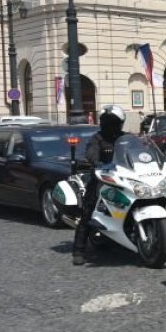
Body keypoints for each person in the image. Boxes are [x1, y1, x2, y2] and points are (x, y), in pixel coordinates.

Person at [72, 105, 127, 266]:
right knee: (89, 209)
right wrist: (97, 162)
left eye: (114, 122)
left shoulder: (124, 137)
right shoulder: (97, 138)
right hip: (102, 179)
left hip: (124, 178)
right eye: (107, 122)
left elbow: (137, 148)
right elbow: (91, 152)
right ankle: (78, 250)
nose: (110, 125)